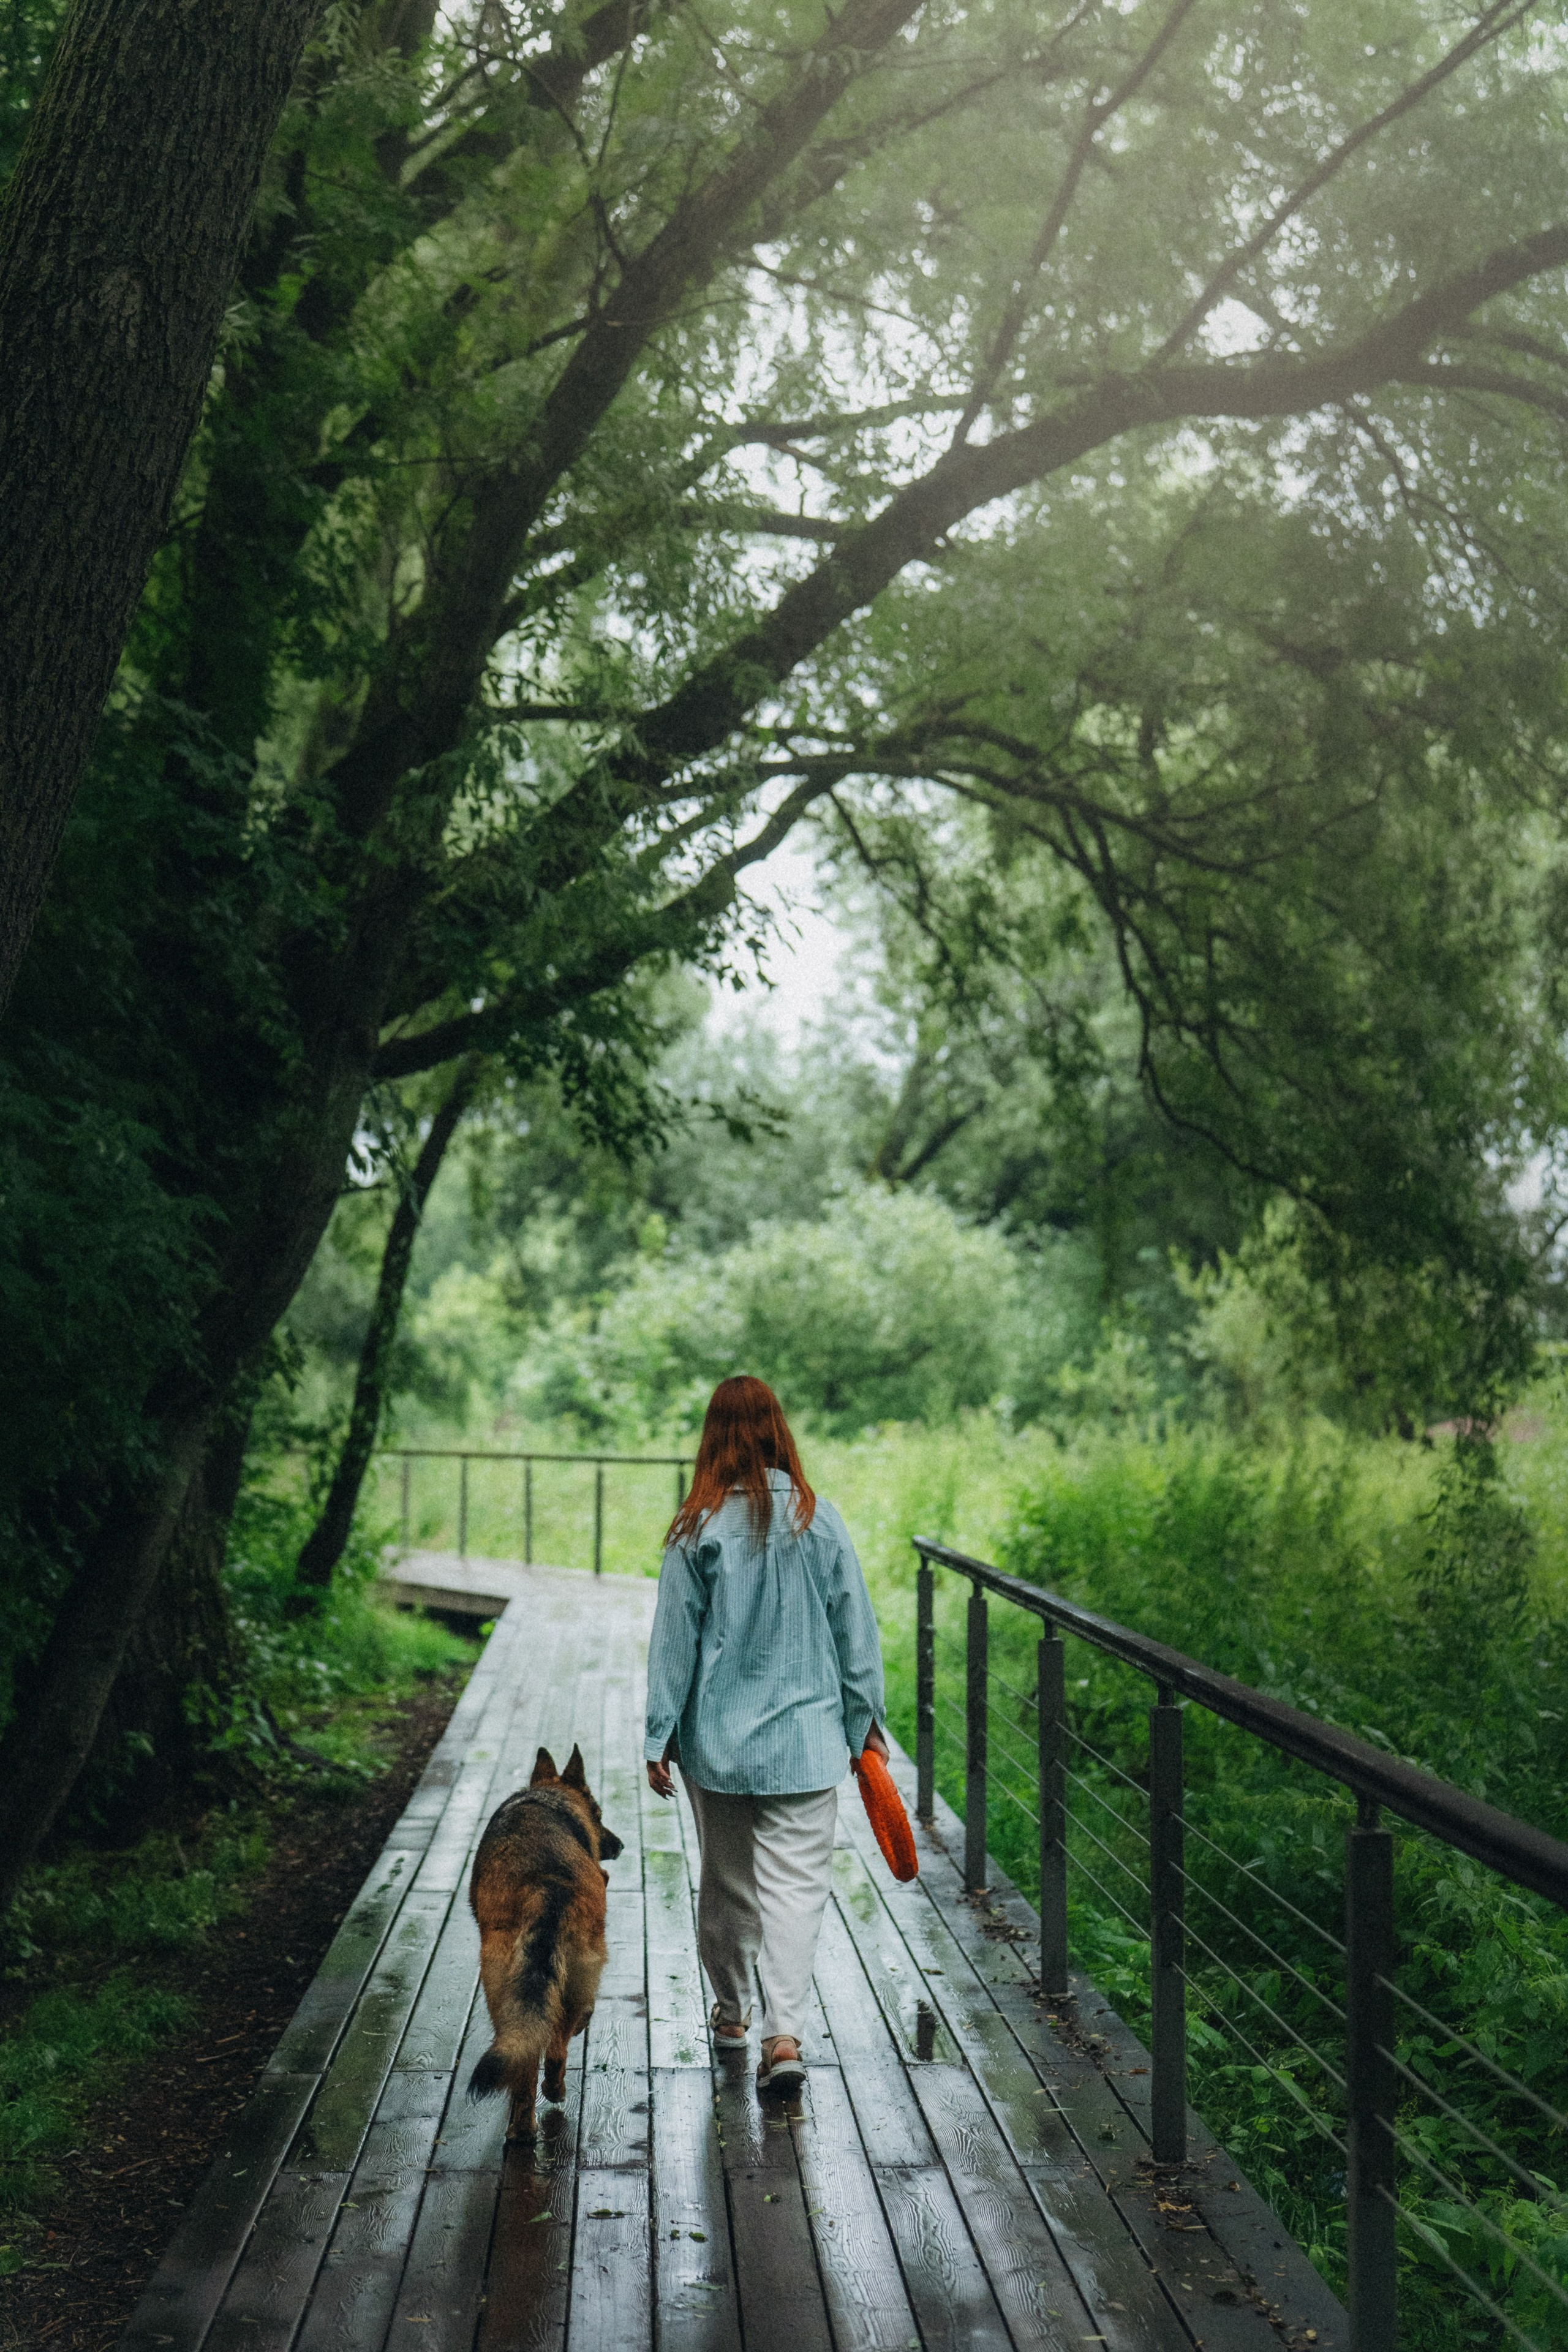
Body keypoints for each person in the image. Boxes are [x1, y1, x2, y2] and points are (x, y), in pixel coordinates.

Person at [644, 1374, 888, 2092]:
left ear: (712, 1439)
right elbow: (855, 1632)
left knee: (726, 1882)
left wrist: (659, 1734)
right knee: (795, 1890)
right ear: (779, 1431)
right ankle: (784, 2036)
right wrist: (863, 1725)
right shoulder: (822, 1520)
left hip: (717, 1744)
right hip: (809, 1743)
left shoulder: (696, 1529)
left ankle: (730, 2015)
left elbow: (672, 1644)